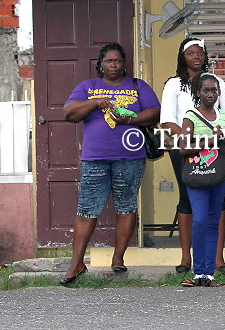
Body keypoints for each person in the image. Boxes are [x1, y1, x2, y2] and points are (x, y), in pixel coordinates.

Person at [61, 43, 160, 285]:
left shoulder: (137, 86)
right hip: (95, 158)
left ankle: (118, 258)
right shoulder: (88, 87)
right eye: (109, 61)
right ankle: (76, 263)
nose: (113, 65)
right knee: (87, 209)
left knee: (126, 206)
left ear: (124, 64)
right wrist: (95, 102)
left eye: (118, 61)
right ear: (101, 64)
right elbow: (69, 113)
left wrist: (129, 119)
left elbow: (156, 113)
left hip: (130, 157)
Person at [160, 37, 225, 275]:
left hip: (217, 150)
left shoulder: (216, 82)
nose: (196, 57)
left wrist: (221, 133)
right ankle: (186, 258)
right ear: (182, 56)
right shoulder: (174, 84)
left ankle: (218, 259)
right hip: (185, 150)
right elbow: (167, 121)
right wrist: (192, 140)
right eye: (191, 53)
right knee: (187, 199)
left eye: (200, 53)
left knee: (218, 201)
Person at [179, 73, 225, 287]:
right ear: (198, 92)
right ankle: (198, 272)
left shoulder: (224, 116)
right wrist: (211, 141)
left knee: (213, 222)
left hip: (220, 173)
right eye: (206, 90)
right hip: (197, 174)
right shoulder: (190, 116)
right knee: (200, 220)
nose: (211, 94)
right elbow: (184, 147)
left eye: (214, 90)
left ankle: (208, 275)